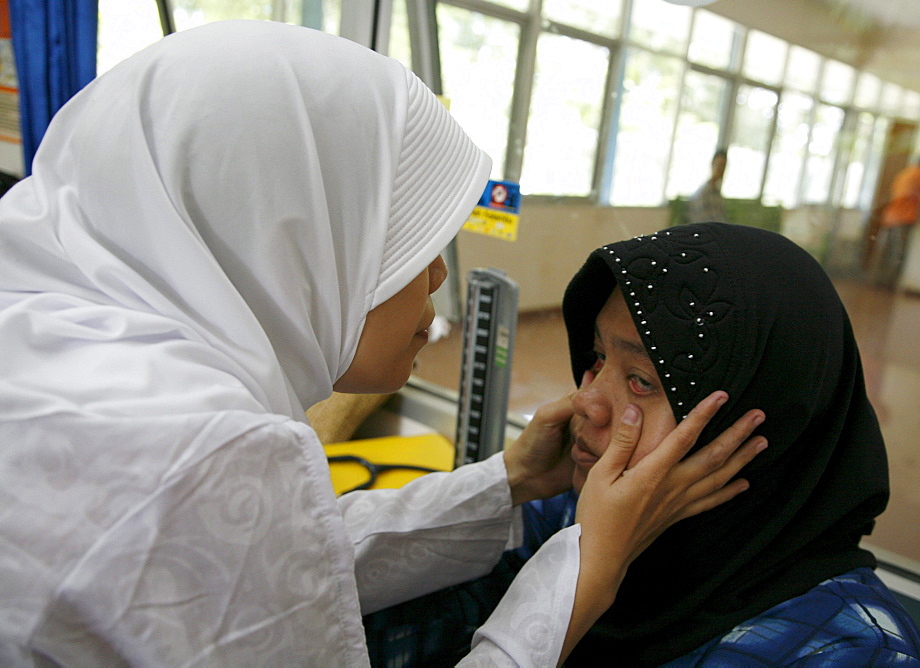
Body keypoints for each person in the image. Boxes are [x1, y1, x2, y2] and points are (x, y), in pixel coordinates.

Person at [0, 21, 766, 665]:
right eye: (406, 243)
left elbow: (276, 566)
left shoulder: (57, 338)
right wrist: (586, 568)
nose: (437, 275)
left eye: (641, 379)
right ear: (292, 234)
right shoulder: (199, 454)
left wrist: (510, 481)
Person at [366, 222, 920, 666]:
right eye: (596, 358)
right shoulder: (566, 527)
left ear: (760, 426)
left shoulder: (849, 652)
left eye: (642, 381)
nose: (585, 401)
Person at [869, 150, 920, 287]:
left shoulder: (905, 172)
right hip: (903, 216)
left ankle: (876, 279)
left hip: (891, 215)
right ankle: (888, 282)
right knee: (898, 251)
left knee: (885, 250)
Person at [686, 149, 728, 224]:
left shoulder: (716, 192)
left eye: (723, 166)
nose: (721, 169)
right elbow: (701, 221)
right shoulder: (703, 192)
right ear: (712, 165)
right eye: (719, 165)